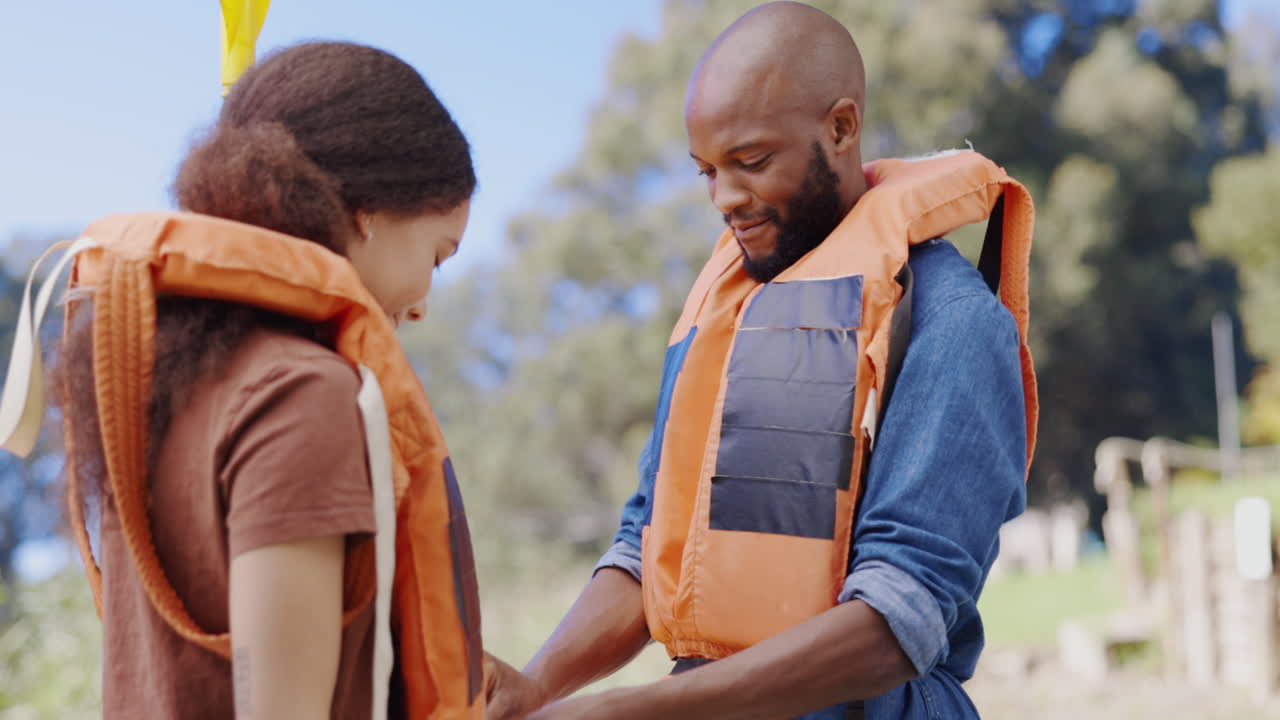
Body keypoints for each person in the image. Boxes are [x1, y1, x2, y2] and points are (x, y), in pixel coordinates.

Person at [491, 3, 1038, 719]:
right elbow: (646, 546)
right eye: (706, 172)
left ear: (841, 128)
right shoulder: (722, 314)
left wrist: (640, 709)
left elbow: (895, 624)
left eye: (750, 163)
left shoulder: (956, 325)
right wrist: (535, 688)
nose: (724, 198)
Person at [47, 41, 532, 719]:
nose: (422, 302)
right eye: (438, 255)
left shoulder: (165, 389)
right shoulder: (300, 396)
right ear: (369, 211)